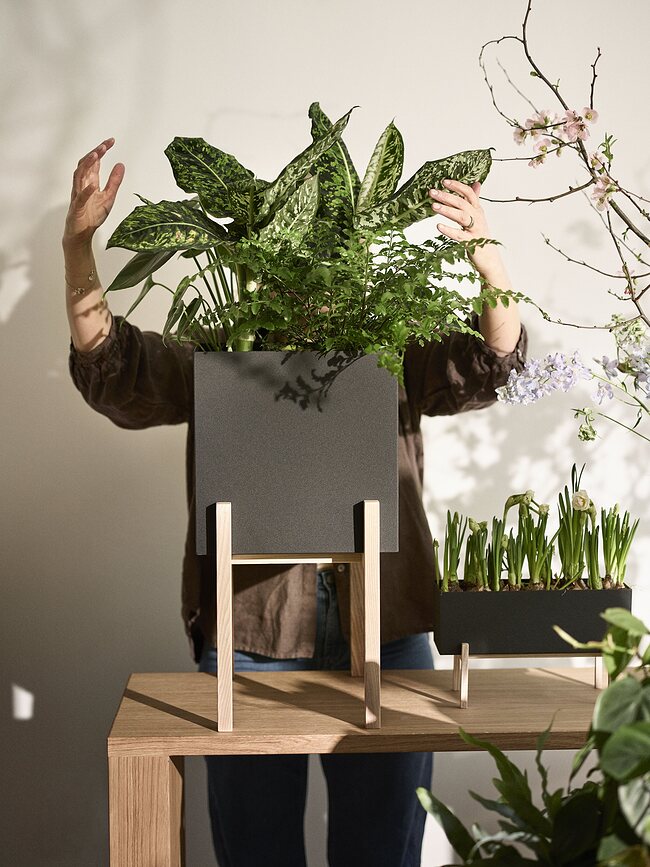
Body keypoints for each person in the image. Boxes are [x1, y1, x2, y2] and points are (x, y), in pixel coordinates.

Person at [65, 138, 527, 867]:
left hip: (389, 628)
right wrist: (77, 248)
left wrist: (488, 261)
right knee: (257, 853)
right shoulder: (228, 354)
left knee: (382, 852)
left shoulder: (389, 345)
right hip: (256, 629)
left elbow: (490, 362)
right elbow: (113, 367)